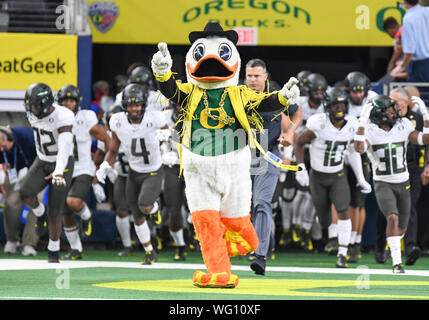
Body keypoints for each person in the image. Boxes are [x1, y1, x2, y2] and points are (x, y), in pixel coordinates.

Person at [294, 87, 371, 268]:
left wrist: (360, 178)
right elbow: (299, 143)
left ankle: (342, 254)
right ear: (328, 106)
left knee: (343, 211)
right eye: (335, 104)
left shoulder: (351, 124)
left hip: (338, 175)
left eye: (342, 104)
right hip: (318, 176)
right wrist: (300, 169)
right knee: (324, 218)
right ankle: (331, 235)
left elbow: (353, 152)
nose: (339, 108)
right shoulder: (317, 123)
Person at [354, 94, 429, 273]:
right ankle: (397, 263)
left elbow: (424, 140)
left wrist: (426, 116)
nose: (394, 112)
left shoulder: (403, 125)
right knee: (392, 217)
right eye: (390, 109)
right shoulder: (370, 130)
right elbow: (359, 148)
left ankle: (392, 245)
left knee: (401, 227)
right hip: (383, 183)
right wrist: (362, 122)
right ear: (379, 113)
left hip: (403, 181)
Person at [96, 83, 167, 265]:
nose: (134, 109)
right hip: (134, 173)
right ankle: (149, 252)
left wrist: (166, 140)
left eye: (137, 105)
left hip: (152, 170)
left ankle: (156, 206)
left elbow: (171, 132)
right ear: (125, 106)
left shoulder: (155, 119)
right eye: (131, 105)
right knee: (137, 215)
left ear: (143, 105)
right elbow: (113, 148)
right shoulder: (117, 122)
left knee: (145, 205)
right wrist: (105, 164)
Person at [244, 58, 302, 275]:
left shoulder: (277, 93)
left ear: (265, 77)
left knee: (262, 202)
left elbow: (297, 113)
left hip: (268, 155)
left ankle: (260, 256)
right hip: (240, 155)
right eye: (249, 75)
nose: (252, 80)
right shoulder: (237, 93)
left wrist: (289, 133)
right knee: (236, 205)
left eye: (257, 76)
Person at [19, 82, 75, 263]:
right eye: (31, 105)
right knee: (25, 192)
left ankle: (53, 249)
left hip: (63, 163)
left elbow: (65, 148)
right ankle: (39, 212)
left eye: (36, 105)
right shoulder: (31, 113)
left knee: (55, 210)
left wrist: (59, 172)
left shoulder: (63, 115)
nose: (33, 110)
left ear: (47, 103)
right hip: (42, 160)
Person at [56, 84, 111, 260]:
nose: (68, 104)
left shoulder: (86, 117)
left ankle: (87, 216)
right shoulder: (54, 119)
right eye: (65, 100)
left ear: (77, 101)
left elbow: (105, 137)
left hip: (83, 168)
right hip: (63, 169)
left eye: (71, 100)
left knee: (73, 201)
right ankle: (76, 249)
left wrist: (107, 162)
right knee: (66, 211)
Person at [374, 88, 425, 266]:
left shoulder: (409, 121)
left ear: (405, 102)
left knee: (407, 211)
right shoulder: (374, 127)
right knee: (389, 215)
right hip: (383, 174)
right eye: (390, 104)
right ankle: (385, 249)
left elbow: (424, 140)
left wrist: (427, 165)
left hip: (408, 169)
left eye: (395, 102)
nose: (392, 107)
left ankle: (407, 247)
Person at [291, 73, 327, 250]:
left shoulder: (327, 107)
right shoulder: (299, 103)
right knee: (298, 193)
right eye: (316, 92)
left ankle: (304, 228)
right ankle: (296, 226)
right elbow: (290, 127)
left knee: (313, 195)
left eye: (322, 92)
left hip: (318, 152)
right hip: (299, 150)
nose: (319, 95)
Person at [0, 126, 39, 256]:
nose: (1, 149)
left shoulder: (26, 136)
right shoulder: (3, 145)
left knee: (35, 204)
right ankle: (12, 240)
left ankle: (29, 243)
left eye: (3, 146)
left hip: (38, 170)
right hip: (15, 173)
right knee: (10, 203)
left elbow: (41, 157)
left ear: (11, 140)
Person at [158, 102, 188, 261]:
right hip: (172, 165)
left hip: (194, 165)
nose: (180, 108)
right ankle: (180, 245)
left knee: (201, 208)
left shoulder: (202, 114)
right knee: (173, 210)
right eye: (178, 105)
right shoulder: (163, 117)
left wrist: (172, 133)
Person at [391, 0, 429, 82]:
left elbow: (409, 51)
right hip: (423, 64)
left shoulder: (408, 18)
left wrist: (402, 66)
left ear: (405, 1)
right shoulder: (427, 11)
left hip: (421, 66)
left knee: (419, 93)